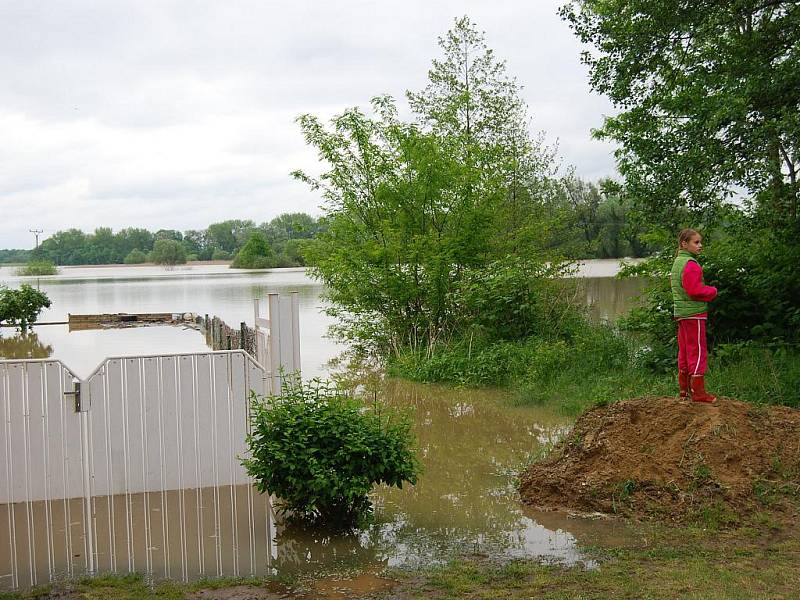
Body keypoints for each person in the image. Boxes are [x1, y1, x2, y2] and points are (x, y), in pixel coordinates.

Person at [670, 228, 718, 403]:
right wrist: (712, 291)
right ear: (684, 243)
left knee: (684, 352)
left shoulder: (678, 263)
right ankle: (698, 393)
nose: (700, 246)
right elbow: (693, 290)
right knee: (697, 352)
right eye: (696, 242)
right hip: (693, 314)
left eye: (700, 242)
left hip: (682, 314)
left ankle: (684, 391)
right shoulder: (690, 264)